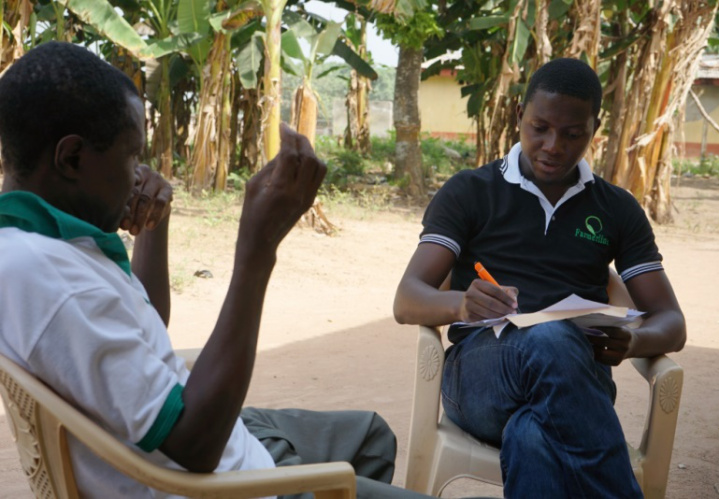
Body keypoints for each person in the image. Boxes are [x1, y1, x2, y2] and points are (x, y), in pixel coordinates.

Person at [0, 41, 458, 499]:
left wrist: (154, 226)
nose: (138, 173)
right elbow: (196, 446)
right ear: (72, 158)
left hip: (213, 443)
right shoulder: (59, 283)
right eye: (131, 155)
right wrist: (256, 252)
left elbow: (144, 327)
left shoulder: (33, 246)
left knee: (370, 435)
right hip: (227, 481)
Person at [393, 58, 687, 498]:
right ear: (518, 117)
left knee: (533, 436)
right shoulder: (471, 191)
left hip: (575, 386)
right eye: (540, 128)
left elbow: (671, 321)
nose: (553, 146)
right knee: (550, 337)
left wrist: (635, 342)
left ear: (595, 128)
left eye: (573, 134)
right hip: (479, 379)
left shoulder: (617, 209)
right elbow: (407, 298)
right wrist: (461, 304)